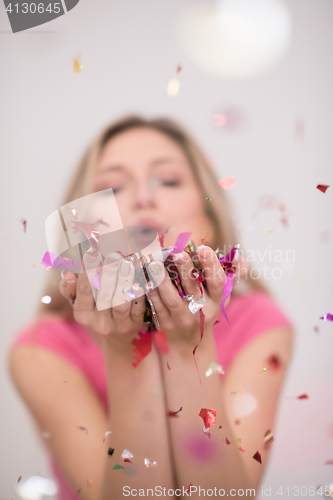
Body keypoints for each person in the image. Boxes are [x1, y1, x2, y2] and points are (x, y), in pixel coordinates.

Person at [8, 116, 293, 500]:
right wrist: (127, 346)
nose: (144, 197)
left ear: (211, 212)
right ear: (79, 229)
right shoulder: (41, 350)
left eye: (169, 180)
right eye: (112, 187)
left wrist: (187, 345)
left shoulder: (259, 322)